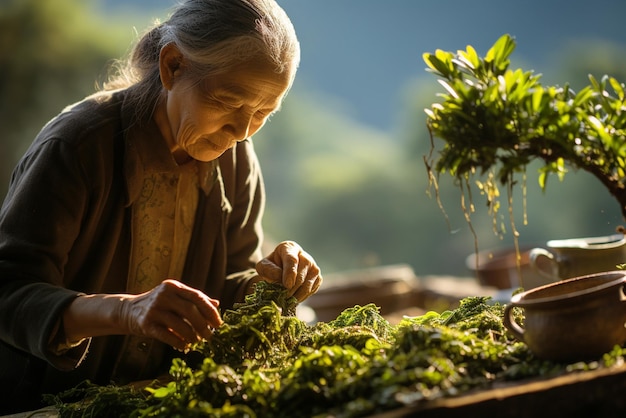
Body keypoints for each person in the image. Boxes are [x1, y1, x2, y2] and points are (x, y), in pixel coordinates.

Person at [0, 0, 323, 413]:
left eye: (262, 113)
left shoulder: (237, 160)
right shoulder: (77, 147)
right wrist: (125, 311)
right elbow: (9, 292)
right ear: (172, 66)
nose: (242, 131)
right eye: (228, 102)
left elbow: (230, 285)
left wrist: (274, 282)